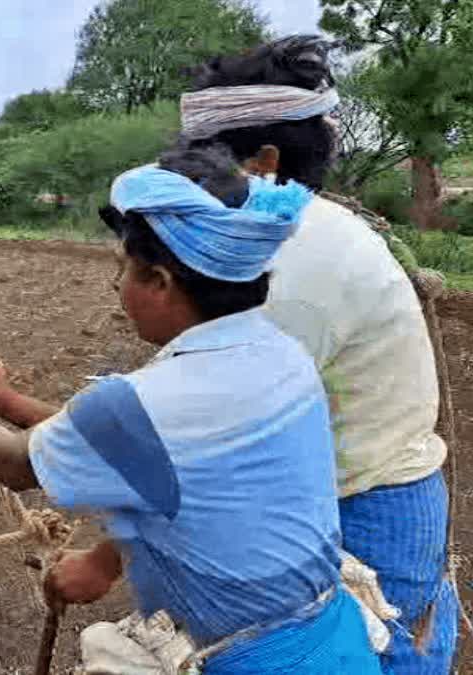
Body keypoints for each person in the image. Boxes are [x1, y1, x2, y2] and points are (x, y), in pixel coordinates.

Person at [0, 146, 380, 673]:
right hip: (333, 641)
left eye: (123, 269)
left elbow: (17, 464)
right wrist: (7, 401)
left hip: (256, 661)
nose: (116, 285)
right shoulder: (281, 354)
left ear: (161, 283)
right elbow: (141, 442)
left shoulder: (145, 401)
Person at [178, 34, 457, 674]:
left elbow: (214, 437)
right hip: (347, 496)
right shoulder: (293, 233)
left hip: (359, 516)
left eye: (195, 161)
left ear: (262, 164)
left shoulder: (290, 266)